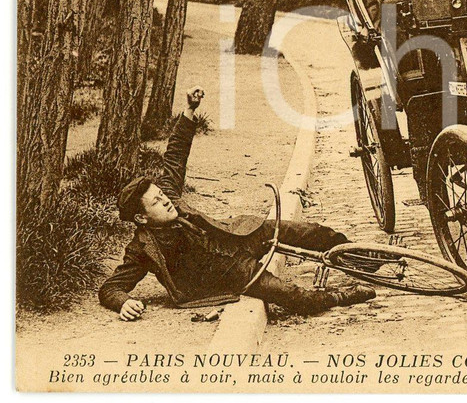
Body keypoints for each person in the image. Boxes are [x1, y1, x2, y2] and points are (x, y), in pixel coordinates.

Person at [99, 87, 375, 321]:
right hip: (231, 273)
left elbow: (175, 157)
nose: (166, 201)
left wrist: (189, 111)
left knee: (311, 232)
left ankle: (364, 260)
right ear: (142, 218)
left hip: (239, 235)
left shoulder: (169, 195)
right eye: (156, 202)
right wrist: (123, 302)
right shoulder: (142, 249)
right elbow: (111, 287)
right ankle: (340, 296)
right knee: (291, 295)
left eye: (162, 194)